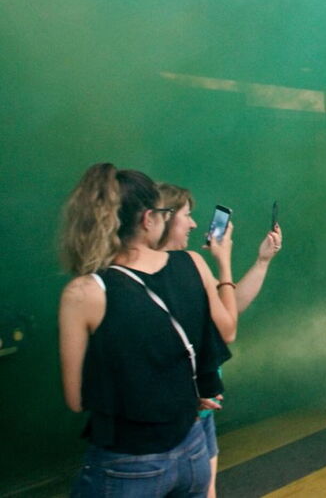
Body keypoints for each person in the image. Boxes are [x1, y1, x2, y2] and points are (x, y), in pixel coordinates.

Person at [58, 163, 234, 497]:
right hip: (193, 451)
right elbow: (213, 346)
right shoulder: (193, 264)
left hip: (126, 464)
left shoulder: (84, 292)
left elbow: (77, 398)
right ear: (148, 218)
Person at [157, 183, 282, 497]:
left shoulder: (188, 264)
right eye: (187, 215)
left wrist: (262, 260)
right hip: (169, 418)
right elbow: (228, 330)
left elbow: (230, 307)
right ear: (162, 218)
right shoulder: (154, 273)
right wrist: (223, 260)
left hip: (201, 410)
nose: (194, 224)